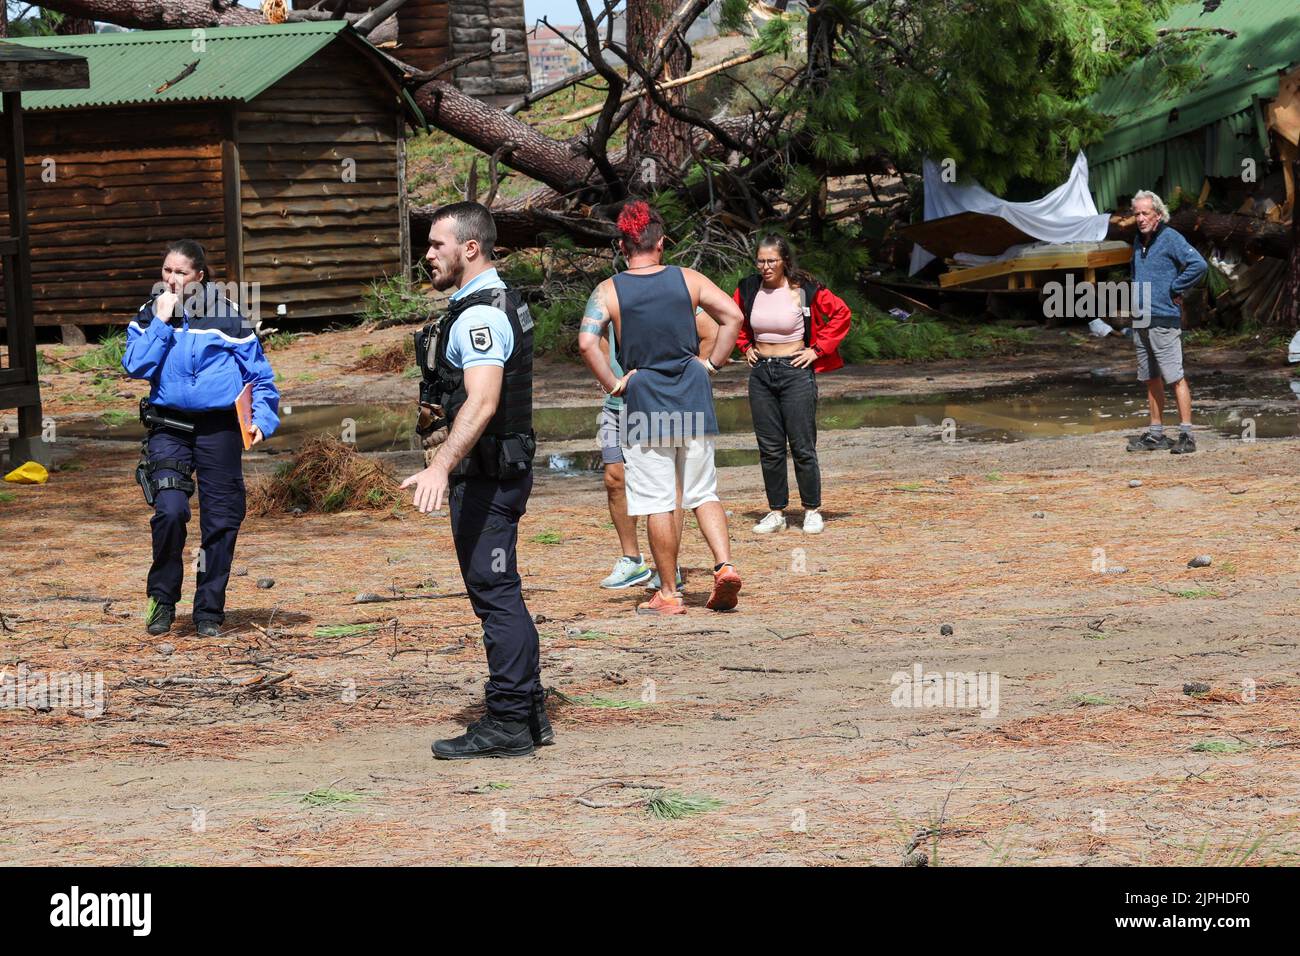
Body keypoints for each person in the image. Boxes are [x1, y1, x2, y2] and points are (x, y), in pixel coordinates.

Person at [402, 201, 550, 760]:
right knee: (502, 591)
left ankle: (509, 720)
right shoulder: (487, 303)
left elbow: (484, 400)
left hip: (487, 478)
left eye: (437, 244)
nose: (428, 255)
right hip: (495, 473)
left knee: (495, 596)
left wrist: (440, 465)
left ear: (470, 248)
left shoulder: (482, 315)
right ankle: (530, 712)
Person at [577, 200, 744, 616]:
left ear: (621, 245)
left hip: (645, 398)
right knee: (703, 491)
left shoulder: (608, 290)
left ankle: (669, 593)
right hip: (691, 392)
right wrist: (711, 365)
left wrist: (614, 384)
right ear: (662, 243)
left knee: (656, 501)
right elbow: (734, 317)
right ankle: (723, 566)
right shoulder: (689, 280)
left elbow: (585, 342)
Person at [121, 240, 279, 638]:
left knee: (221, 519)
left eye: (180, 273)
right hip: (168, 426)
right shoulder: (149, 314)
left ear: (200, 277)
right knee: (170, 510)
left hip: (219, 428)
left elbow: (260, 376)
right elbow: (136, 366)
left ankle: (209, 608)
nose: (171, 280)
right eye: (166, 271)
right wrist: (161, 321)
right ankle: (162, 600)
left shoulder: (227, 317)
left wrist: (261, 419)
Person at [734, 234, 851, 534]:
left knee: (802, 445)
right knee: (770, 447)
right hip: (761, 373)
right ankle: (776, 512)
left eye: (771, 260)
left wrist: (817, 349)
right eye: (760, 261)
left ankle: (811, 510)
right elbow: (731, 319)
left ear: (785, 260)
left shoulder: (800, 290)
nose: (765, 266)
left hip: (795, 371)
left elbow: (841, 313)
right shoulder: (749, 288)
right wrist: (745, 345)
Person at [597, 308, 717, 593]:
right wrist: (607, 376)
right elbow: (595, 337)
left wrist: (695, 371)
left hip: (657, 404)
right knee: (614, 479)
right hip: (616, 405)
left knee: (668, 489)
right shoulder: (611, 294)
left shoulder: (673, 292)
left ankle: (668, 568)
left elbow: (712, 332)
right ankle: (632, 560)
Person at [1124, 189, 1207, 455]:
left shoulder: (1171, 238)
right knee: (1151, 378)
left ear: (1158, 215)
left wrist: (1175, 288)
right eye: (1136, 213)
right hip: (1142, 320)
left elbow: (1199, 265)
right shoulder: (1138, 241)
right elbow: (1137, 275)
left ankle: (1186, 435)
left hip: (1164, 320)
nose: (1140, 218)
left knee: (1175, 377)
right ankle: (1156, 433)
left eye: (1145, 213)